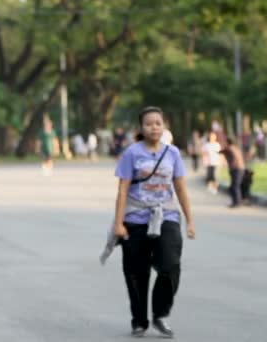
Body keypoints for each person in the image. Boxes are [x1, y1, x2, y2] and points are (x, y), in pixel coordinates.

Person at [112, 106, 195, 338]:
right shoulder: (131, 153)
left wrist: (189, 220)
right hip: (135, 219)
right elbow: (122, 190)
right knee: (136, 272)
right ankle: (139, 320)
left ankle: (160, 313)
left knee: (170, 266)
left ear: (163, 125)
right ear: (141, 127)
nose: (154, 127)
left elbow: (180, 187)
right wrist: (119, 224)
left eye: (158, 123)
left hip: (166, 216)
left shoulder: (173, 154)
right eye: (149, 124)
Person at [220, 138, 245, 208]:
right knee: (235, 186)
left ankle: (237, 202)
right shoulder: (236, 148)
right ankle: (236, 202)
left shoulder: (229, 148)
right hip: (240, 168)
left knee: (235, 186)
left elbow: (221, 151)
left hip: (236, 169)